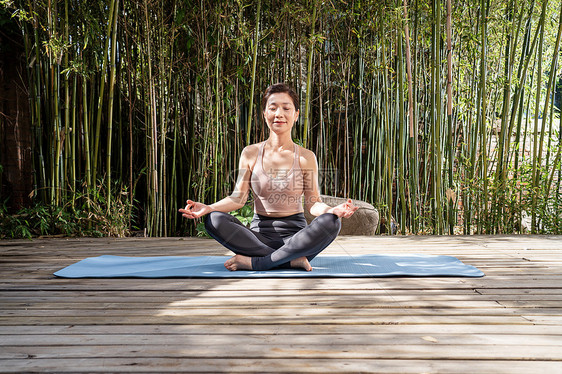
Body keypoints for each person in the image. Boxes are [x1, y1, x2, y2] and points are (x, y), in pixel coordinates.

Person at [179, 83, 358, 272]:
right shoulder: (250, 153)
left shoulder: (306, 156)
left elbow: (312, 203)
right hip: (257, 238)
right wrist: (209, 208)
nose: (279, 113)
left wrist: (332, 210)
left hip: (297, 239)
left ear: (296, 115)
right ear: (264, 114)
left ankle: (259, 262)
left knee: (331, 221)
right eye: (272, 108)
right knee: (213, 219)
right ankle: (289, 260)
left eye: (286, 108)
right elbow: (237, 198)